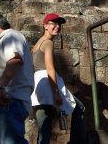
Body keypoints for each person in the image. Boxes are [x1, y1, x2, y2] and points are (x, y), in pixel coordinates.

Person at [0, 13, 34, 144]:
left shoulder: (10, 36)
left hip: (8, 102)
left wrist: (1, 87)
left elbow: (15, 60)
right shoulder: (3, 41)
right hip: (0, 104)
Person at [31, 13, 86, 144]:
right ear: (45, 26)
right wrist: (56, 92)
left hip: (38, 86)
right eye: (53, 23)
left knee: (44, 127)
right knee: (80, 109)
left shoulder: (37, 44)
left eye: (59, 24)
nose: (57, 26)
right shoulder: (48, 43)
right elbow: (50, 68)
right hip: (48, 83)